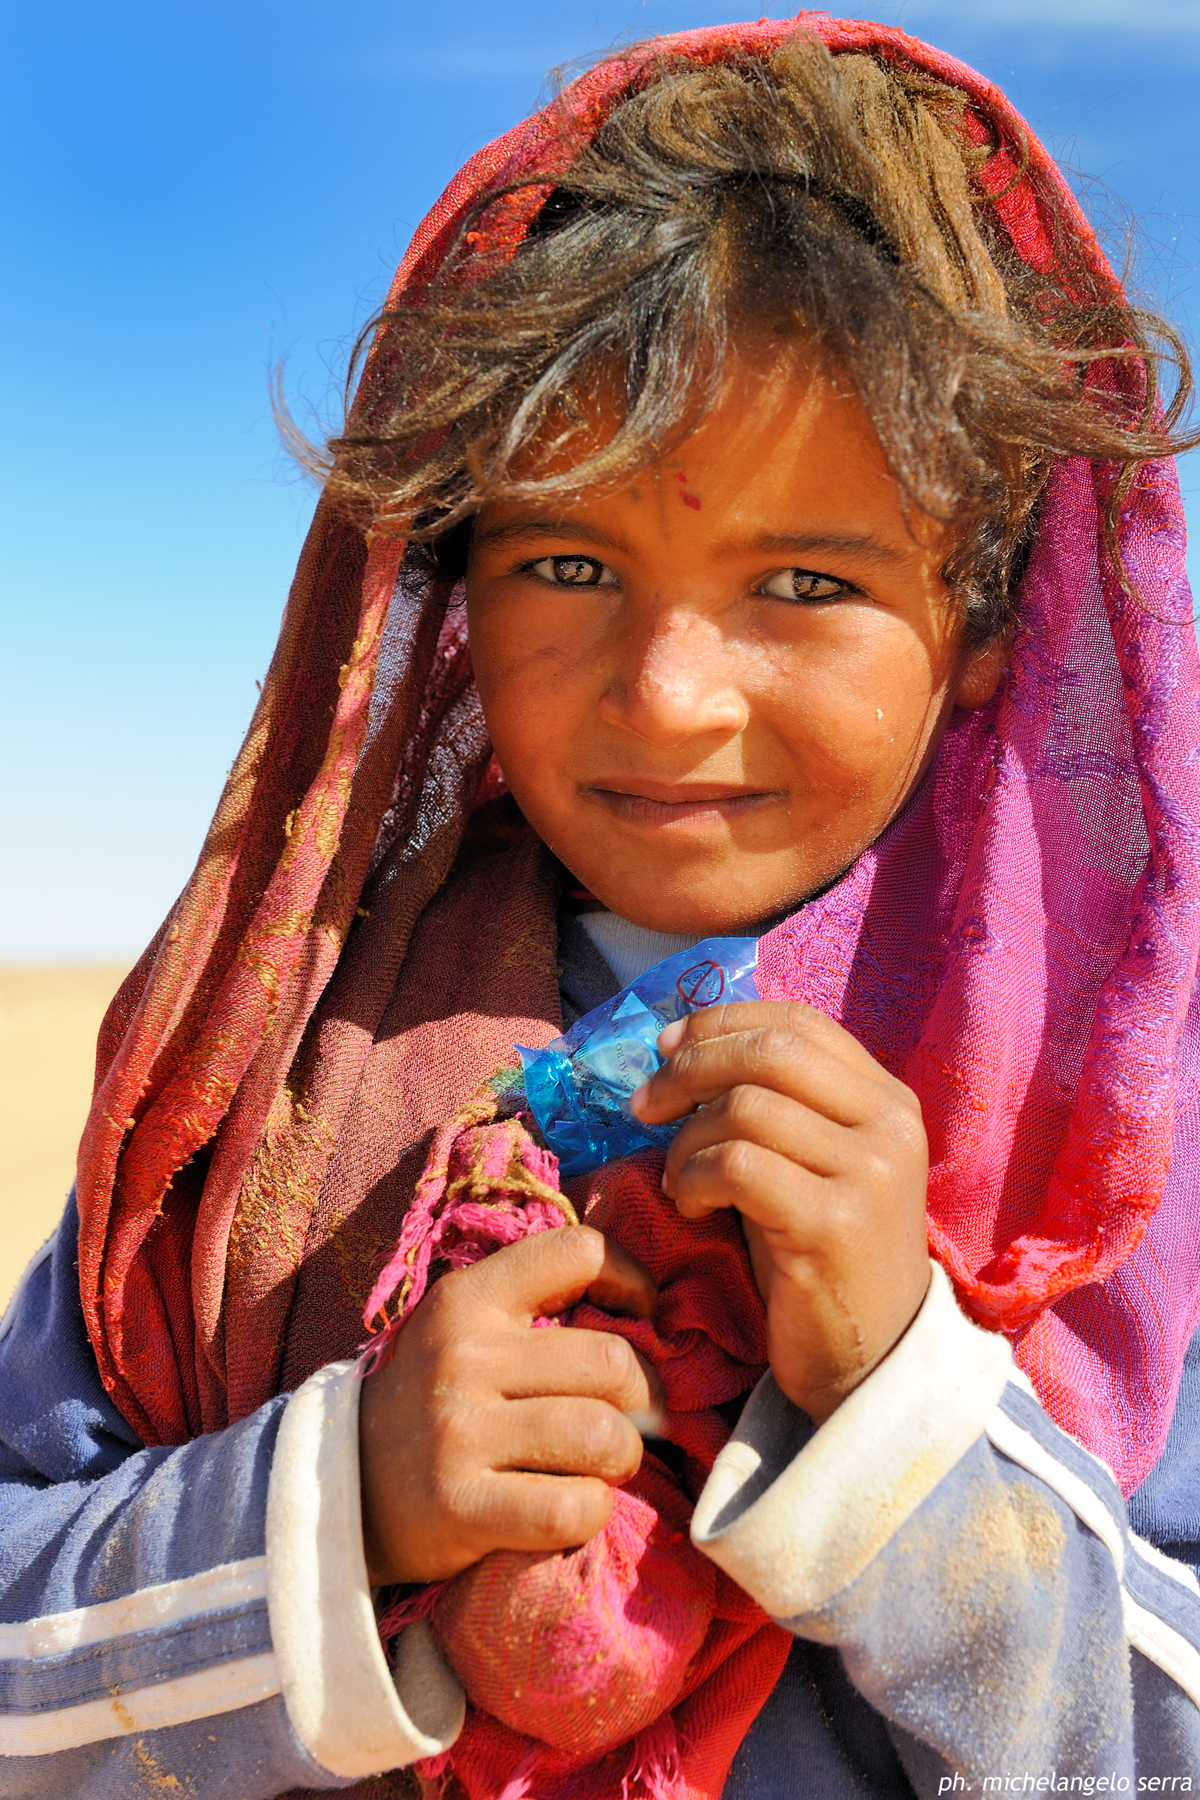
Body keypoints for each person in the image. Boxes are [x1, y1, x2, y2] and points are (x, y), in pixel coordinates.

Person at [2, 13, 1199, 1798]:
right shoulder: (252, 1087)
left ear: (986, 630)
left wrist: (905, 1410)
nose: (669, 697)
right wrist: (343, 1504)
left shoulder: (1119, 1132)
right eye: (569, 562)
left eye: (804, 580)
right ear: (456, 587)